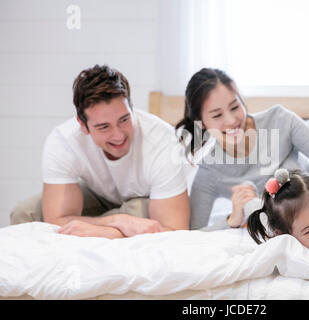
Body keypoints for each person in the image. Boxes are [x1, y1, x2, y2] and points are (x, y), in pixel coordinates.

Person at [10, 64, 190, 238]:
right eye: (104, 127)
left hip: (147, 199)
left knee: (136, 213)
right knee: (25, 213)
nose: (118, 135)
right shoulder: (64, 141)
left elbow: (175, 230)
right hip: (99, 194)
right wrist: (118, 221)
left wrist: (107, 231)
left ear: (132, 109)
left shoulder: (162, 140)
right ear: (83, 126)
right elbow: (56, 220)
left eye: (124, 119)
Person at [176, 67, 309, 231]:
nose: (231, 120)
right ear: (200, 124)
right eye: (217, 115)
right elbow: (195, 234)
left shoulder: (280, 120)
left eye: (235, 107)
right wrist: (232, 220)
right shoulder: (210, 171)